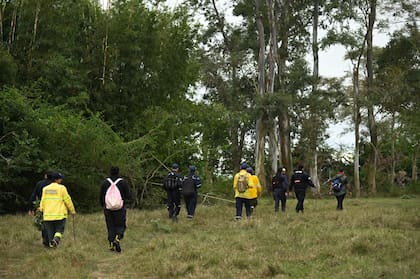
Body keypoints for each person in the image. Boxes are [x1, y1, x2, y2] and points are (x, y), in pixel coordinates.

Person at [39, 172, 76, 248]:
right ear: (56, 180)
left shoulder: (45, 189)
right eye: (60, 178)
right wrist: (72, 211)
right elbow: (67, 200)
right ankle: (56, 239)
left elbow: (43, 200)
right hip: (59, 215)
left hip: (47, 215)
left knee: (50, 233)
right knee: (59, 230)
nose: (61, 180)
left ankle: (52, 246)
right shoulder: (62, 188)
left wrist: (41, 209)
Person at [99, 167, 131, 252]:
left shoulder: (105, 182)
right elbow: (128, 195)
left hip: (108, 208)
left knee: (110, 226)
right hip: (120, 208)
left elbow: (101, 195)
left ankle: (111, 244)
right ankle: (118, 238)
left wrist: (103, 205)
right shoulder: (123, 182)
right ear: (118, 172)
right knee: (120, 225)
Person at [28, 171, 54, 247]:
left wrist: (31, 208)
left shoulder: (39, 184)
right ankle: (51, 240)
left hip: (41, 205)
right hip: (53, 206)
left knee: (44, 223)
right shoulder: (55, 185)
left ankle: (45, 240)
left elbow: (33, 195)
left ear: (45, 176)